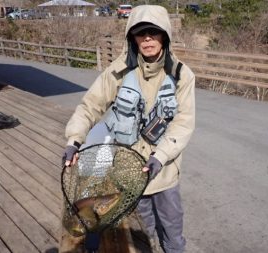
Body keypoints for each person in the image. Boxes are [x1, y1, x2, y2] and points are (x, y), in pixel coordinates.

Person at [63, 5, 195, 253]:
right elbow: (90, 105)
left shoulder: (182, 75)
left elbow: (183, 122)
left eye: (154, 32)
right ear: (132, 37)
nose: (147, 38)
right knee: (141, 231)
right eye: (140, 32)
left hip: (164, 171)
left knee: (172, 231)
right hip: (128, 173)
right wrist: (74, 140)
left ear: (164, 35)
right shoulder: (118, 71)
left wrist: (160, 156)